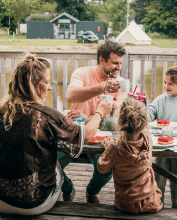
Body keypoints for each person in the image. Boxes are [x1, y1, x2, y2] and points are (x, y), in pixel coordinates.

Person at [0, 54, 112, 215]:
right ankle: (66, 197)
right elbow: (85, 136)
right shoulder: (47, 116)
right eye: (46, 82)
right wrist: (100, 112)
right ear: (32, 84)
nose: (50, 87)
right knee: (54, 162)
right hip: (35, 204)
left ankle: (68, 191)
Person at [61, 40, 127, 204]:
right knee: (50, 162)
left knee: (107, 166)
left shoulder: (121, 83)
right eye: (115, 63)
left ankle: (91, 192)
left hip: (102, 138)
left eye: (120, 63)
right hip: (76, 135)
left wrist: (88, 117)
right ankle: (67, 187)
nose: (118, 67)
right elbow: (70, 95)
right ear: (102, 60)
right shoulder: (82, 73)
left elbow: (117, 120)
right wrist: (102, 87)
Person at [97, 98, 163, 214]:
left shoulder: (115, 148)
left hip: (126, 204)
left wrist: (108, 150)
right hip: (151, 202)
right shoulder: (148, 139)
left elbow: (102, 168)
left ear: (120, 121)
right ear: (144, 122)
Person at [147, 66, 177, 209]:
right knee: (159, 180)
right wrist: (144, 112)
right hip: (161, 147)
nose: (166, 86)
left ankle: (176, 207)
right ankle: (158, 205)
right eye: (165, 82)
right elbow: (150, 112)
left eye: (170, 83)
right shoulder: (161, 99)